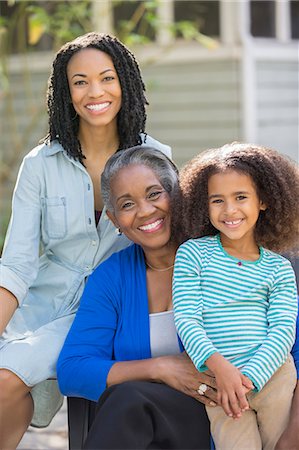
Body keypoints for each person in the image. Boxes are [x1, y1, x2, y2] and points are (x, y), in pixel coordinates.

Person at [0, 32, 172, 450]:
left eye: (106, 78)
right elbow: (18, 262)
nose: (95, 92)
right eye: (80, 81)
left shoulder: (154, 158)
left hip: (108, 309)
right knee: (9, 385)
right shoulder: (40, 164)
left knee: (5, 377)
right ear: (66, 91)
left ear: (124, 83)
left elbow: (166, 246)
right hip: (39, 306)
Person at [57, 146, 218, 450]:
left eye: (155, 194)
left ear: (179, 193)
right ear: (114, 220)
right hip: (148, 426)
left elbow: (292, 348)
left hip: (225, 419)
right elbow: (73, 369)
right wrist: (161, 368)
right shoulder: (112, 277)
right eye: (127, 204)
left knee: (130, 400)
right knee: (131, 401)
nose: (144, 211)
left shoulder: (222, 257)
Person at [172, 142, 299, 450]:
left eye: (240, 197)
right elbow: (187, 319)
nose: (229, 210)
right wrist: (221, 369)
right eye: (218, 200)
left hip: (272, 376)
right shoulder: (193, 254)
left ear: (264, 201)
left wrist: (249, 379)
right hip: (218, 383)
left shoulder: (279, 268)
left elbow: (283, 332)